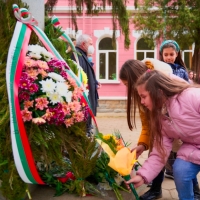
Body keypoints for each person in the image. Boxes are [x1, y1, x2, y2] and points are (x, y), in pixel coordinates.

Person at [119, 58, 200, 200]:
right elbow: (159, 151)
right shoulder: (160, 118)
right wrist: (142, 176)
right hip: (192, 146)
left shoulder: (191, 97)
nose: (141, 102)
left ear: (158, 92)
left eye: (143, 97)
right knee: (179, 170)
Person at [71, 34, 98, 135]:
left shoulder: (81, 55)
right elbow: (78, 78)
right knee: (85, 131)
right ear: (83, 44)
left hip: (86, 101)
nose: (92, 47)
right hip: (83, 103)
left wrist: (95, 83)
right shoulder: (77, 56)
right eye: (90, 44)